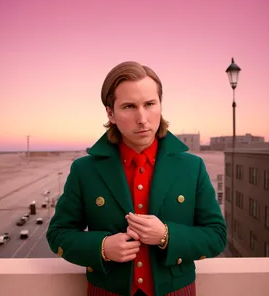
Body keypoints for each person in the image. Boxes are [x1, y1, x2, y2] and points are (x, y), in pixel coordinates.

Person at [46, 61, 227, 296]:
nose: (142, 118)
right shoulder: (84, 170)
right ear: (110, 113)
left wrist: (166, 235)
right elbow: (58, 234)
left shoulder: (192, 167)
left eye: (150, 104)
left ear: (160, 105)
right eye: (129, 106)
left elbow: (216, 235)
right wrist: (101, 247)